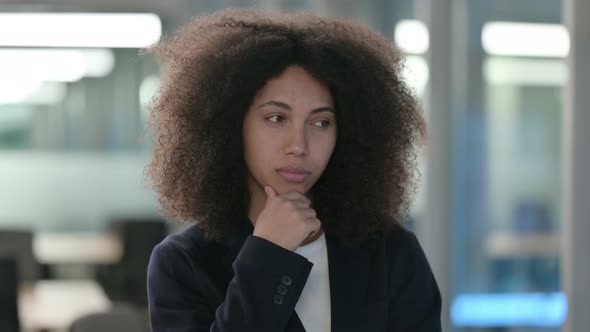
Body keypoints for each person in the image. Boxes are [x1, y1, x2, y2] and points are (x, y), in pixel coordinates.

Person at [145, 7, 441, 332]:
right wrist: (269, 253)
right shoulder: (184, 264)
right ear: (229, 125)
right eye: (277, 118)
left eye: (321, 122)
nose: (299, 144)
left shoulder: (389, 252)